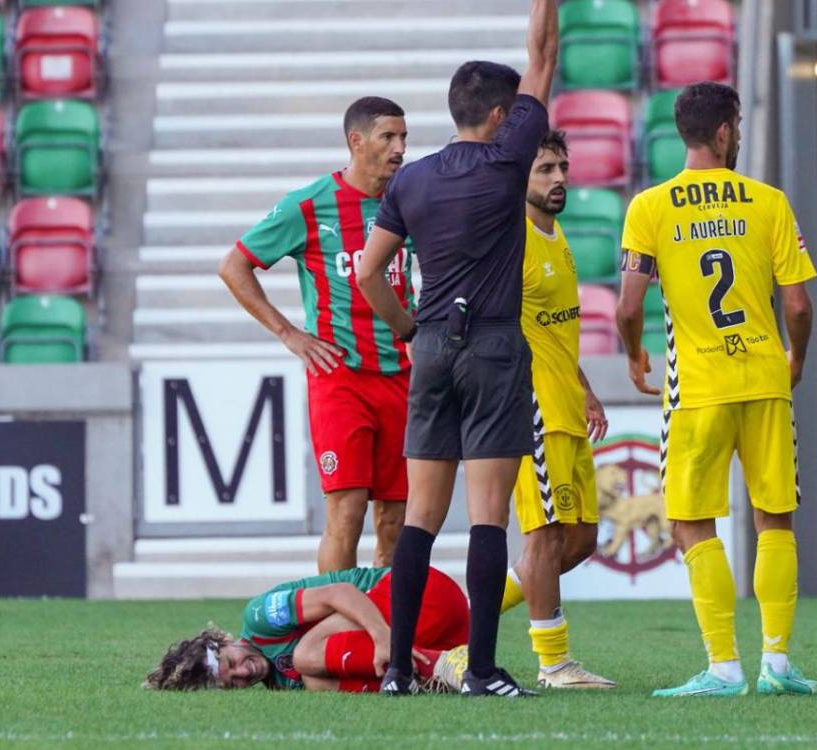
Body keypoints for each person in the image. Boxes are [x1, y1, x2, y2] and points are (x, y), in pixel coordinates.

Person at [353, 0, 558, 698]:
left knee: (419, 517)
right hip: (494, 345)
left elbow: (367, 272)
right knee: (488, 515)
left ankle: (396, 671)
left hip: (434, 347)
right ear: (501, 115)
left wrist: (409, 329)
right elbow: (543, 59)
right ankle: (481, 670)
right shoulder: (506, 161)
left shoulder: (411, 179)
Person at [615, 81, 817, 698]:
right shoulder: (768, 202)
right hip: (763, 377)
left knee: (690, 521)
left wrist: (633, 355)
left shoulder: (650, 206)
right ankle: (778, 664)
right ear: (728, 129)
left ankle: (725, 667)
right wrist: (797, 359)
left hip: (697, 387)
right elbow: (799, 304)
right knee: (774, 517)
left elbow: (628, 306)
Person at [218, 97, 413, 573]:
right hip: (340, 376)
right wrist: (290, 333)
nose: (400, 148)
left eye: (404, 137)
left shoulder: (410, 201)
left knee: (395, 520)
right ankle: (334, 632)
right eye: (389, 136)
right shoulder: (308, 206)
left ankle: (388, 632)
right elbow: (234, 266)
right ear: (356, 140)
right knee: (345, 513)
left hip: (405, 376)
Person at [493, 130, 616, 689]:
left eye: (563, 167)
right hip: (532, 406)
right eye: (545, 169)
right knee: (542, 537)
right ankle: (554, 663)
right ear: (520, 177)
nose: (559, 178)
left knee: (581, 540)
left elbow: (558, 328)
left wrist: (585, 387)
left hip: (567, 401)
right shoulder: (511, 240)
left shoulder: (557, 234)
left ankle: (461, 624)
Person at [144, 566, 469, 693]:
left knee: (306, 657)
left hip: (421, 594)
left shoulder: (259, 618)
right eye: (234, 683)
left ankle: (438, 666)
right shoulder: (279, 684)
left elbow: (339, 593)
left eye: (232, 663)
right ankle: (426, 680)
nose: (244, 673)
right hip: (445, 635)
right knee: (313, 679)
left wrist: (384, 638)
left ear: (223, 640)